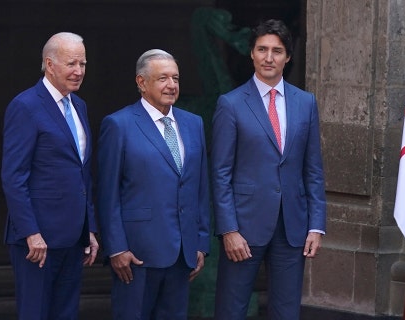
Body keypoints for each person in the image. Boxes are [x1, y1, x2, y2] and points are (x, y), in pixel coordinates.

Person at [211, 19, 327, 319]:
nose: (268, 57)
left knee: (287, 311)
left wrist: (316, 225)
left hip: (293, 227)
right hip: (244, 227)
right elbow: (220, 173)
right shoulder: (231, 104)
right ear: (251, 53)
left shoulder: (306, 103)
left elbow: (312, 169)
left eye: (277, 51)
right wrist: (229, 229)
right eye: (262, 49)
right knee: (231, 308)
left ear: (288, 57)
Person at [96, 49, 210, 319]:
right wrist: (116, 248)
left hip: (182, 253)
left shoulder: (193, 123)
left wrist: (201, 243)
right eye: (162, 79)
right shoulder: (119, 124)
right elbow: (107, 193)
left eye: (176, 78)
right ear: (141, 82)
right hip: (137, 255)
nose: (171, 85)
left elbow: (200, 187)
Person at [1, 31, 99, 319]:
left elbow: (83, 173)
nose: (79, 71)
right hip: (38, 242)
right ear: (49, 64)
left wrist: (89, 228)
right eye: (72, 64)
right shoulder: (26, 106)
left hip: (73, 238)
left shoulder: (79, 106)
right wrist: (31, 232)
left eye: (83, 64)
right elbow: (13, 176)